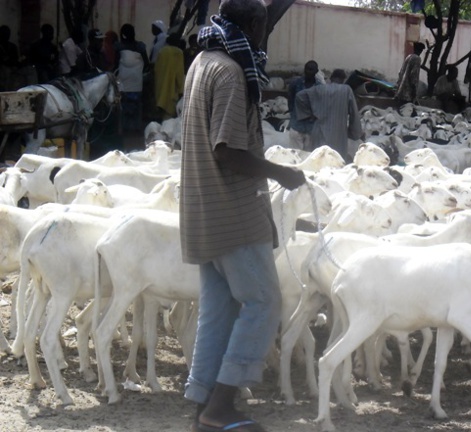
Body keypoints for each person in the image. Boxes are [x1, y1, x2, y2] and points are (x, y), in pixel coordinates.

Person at [180, 1, 306, 431]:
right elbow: (227, 149)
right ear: (251, 25)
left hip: (201, 210)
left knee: (219, 309)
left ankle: (202, 405)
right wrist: (281, 173)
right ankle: (222, 406)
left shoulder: (202, 61)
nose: (262, 33)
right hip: (232, 212)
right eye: (261, 25)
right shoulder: (233, 72)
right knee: (264, 301)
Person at [296, 68, 364, 161]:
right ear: (343, 80)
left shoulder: (319, 89)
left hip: (319, 132)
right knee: (336, 162)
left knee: (318, 160)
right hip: (338, 135)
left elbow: (299, 96)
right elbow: (354, 113)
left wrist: (310, 113)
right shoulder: (346, 90)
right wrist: (354, 132)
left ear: (331, 78)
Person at [116, 23, 150, 133]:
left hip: (123, 82)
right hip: (137, 82)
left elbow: (116, 64)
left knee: (123, 106)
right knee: (137, 106)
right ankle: (137, 128)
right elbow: (146, 63)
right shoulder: (140, 46)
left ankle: (124, 128)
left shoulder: (119, 46)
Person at [287, 60, 320, 150]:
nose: (309, 72)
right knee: (295, 154)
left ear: (316, 71)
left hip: (311, 128)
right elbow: (290, 100)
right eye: (307, 69)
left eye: (311, 69)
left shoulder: (319, 87)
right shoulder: (295, 84)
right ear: (304, 70)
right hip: (296, 126)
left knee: (308, 156)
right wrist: (293, 114)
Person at [154, 34, 184, 119]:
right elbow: (180, 71)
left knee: (161, 103)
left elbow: (156, 68)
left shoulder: (162, 51)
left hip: (160, 83)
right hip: (172, 85)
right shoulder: (178, 52)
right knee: (169, 111)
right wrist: (181, 88)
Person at [0, 25, 19, 91]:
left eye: (8, 34)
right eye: (4, 34)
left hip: (12, 67)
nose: (6, 36)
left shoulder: (12, 46)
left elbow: (16, 59)